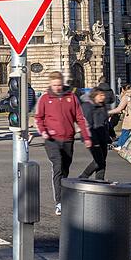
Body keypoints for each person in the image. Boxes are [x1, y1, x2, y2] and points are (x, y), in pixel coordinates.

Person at [34, 71, 91, 216]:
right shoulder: (45, 98)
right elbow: (39, 118)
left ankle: (65, 197)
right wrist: (43, 132)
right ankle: (59, 202)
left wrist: (86, 136)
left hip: (68, 138)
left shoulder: (71, 97)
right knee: (58, 166)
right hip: (52, 139)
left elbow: (80, 117)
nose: (57, 88)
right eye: (54, 85)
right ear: (50, 84)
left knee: (65, 169)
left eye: (59, 85)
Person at [79, 88, 111, 180]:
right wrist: (87, 138)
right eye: (100, 95)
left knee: (102, 161)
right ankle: (83, 176)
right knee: (98, 161)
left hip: (103, 136)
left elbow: (106, 122)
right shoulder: (87, 106)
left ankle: (100, 180)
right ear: (94, 95)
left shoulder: (103, 106)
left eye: (103, 95)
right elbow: (86, 124)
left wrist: (111, 134)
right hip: (92, 136)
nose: (103, 97)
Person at [108, 84, 131, 150]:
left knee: (125, 132)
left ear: (124, 89)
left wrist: (108, 112)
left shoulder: (126, 96)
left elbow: (119, 109)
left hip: (129, 120)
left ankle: (120, 146)